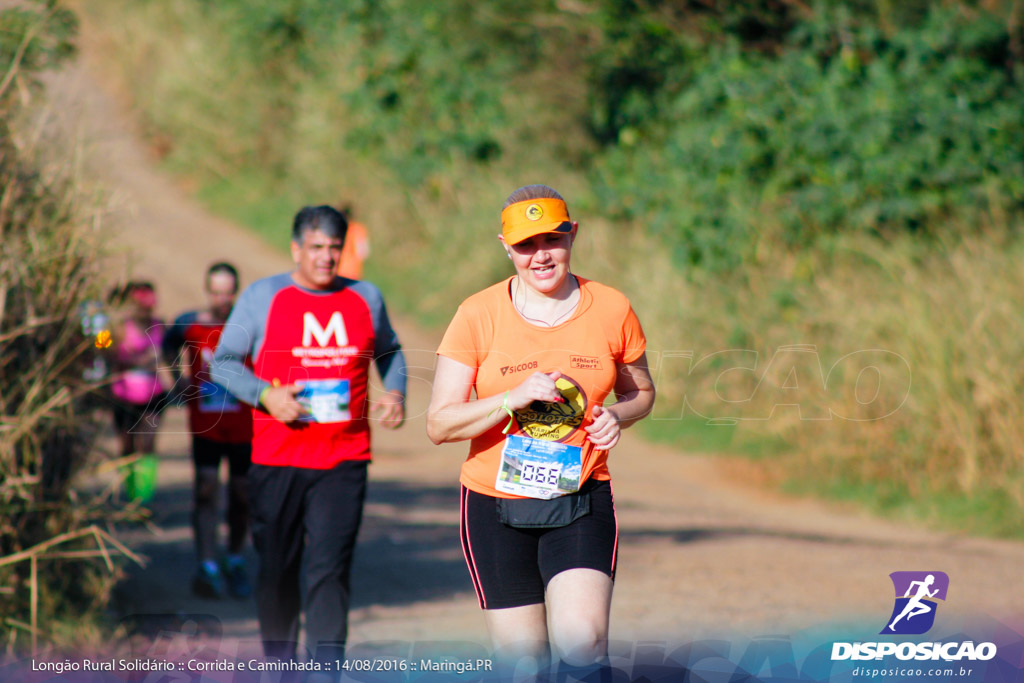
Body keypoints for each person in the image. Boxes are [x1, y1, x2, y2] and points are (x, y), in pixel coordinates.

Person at [426, 185, 656, 674]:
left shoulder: (612, 307)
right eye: (526, 244)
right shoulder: (476, 314)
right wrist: (512, 398)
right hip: (494, 504)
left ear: (574, 234)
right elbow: (439, 423)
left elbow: (642, 393)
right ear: (506, 247)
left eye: (552, 238)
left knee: (585, 644)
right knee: (522, 662)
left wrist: (618, 415)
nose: (541, 255)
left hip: (580, 496)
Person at [210, 205, 406, 666]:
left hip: (344, 461)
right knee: (277, 573)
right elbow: (223, 363)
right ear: (296, 248)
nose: (326, 257)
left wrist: (394, 392)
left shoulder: (366, 297)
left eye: (335, 248)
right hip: (277, 459)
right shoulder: (262, 297)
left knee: (329, 573)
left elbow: (392, 351)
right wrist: (266, 396)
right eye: (316, 247)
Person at [163, 262, 254, 600]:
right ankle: (207, 564)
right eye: (215, 291)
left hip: (244, 426)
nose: (221, 299)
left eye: (227, 292)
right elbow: (167, 344)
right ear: (207, 290)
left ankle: (235, 558)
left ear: (236, 291)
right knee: (205, 490)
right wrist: (178, 384)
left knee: (242, 494)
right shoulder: (191, 323)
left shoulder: (251, 325)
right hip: (206, 424)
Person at [109, 281, 169, 502]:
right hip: (122, 396)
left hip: (153, 396)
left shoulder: (160, 326)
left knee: (148, 445)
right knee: (127, 445)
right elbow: (99, 347)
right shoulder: (116, 328)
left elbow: (167, 355)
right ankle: (131, 491)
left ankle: (143, 498)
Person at [336, 202, 370, 280]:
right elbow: (363, 252)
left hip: (338, 271)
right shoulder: (358, 229)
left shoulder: (337, 229)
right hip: (353, 272)